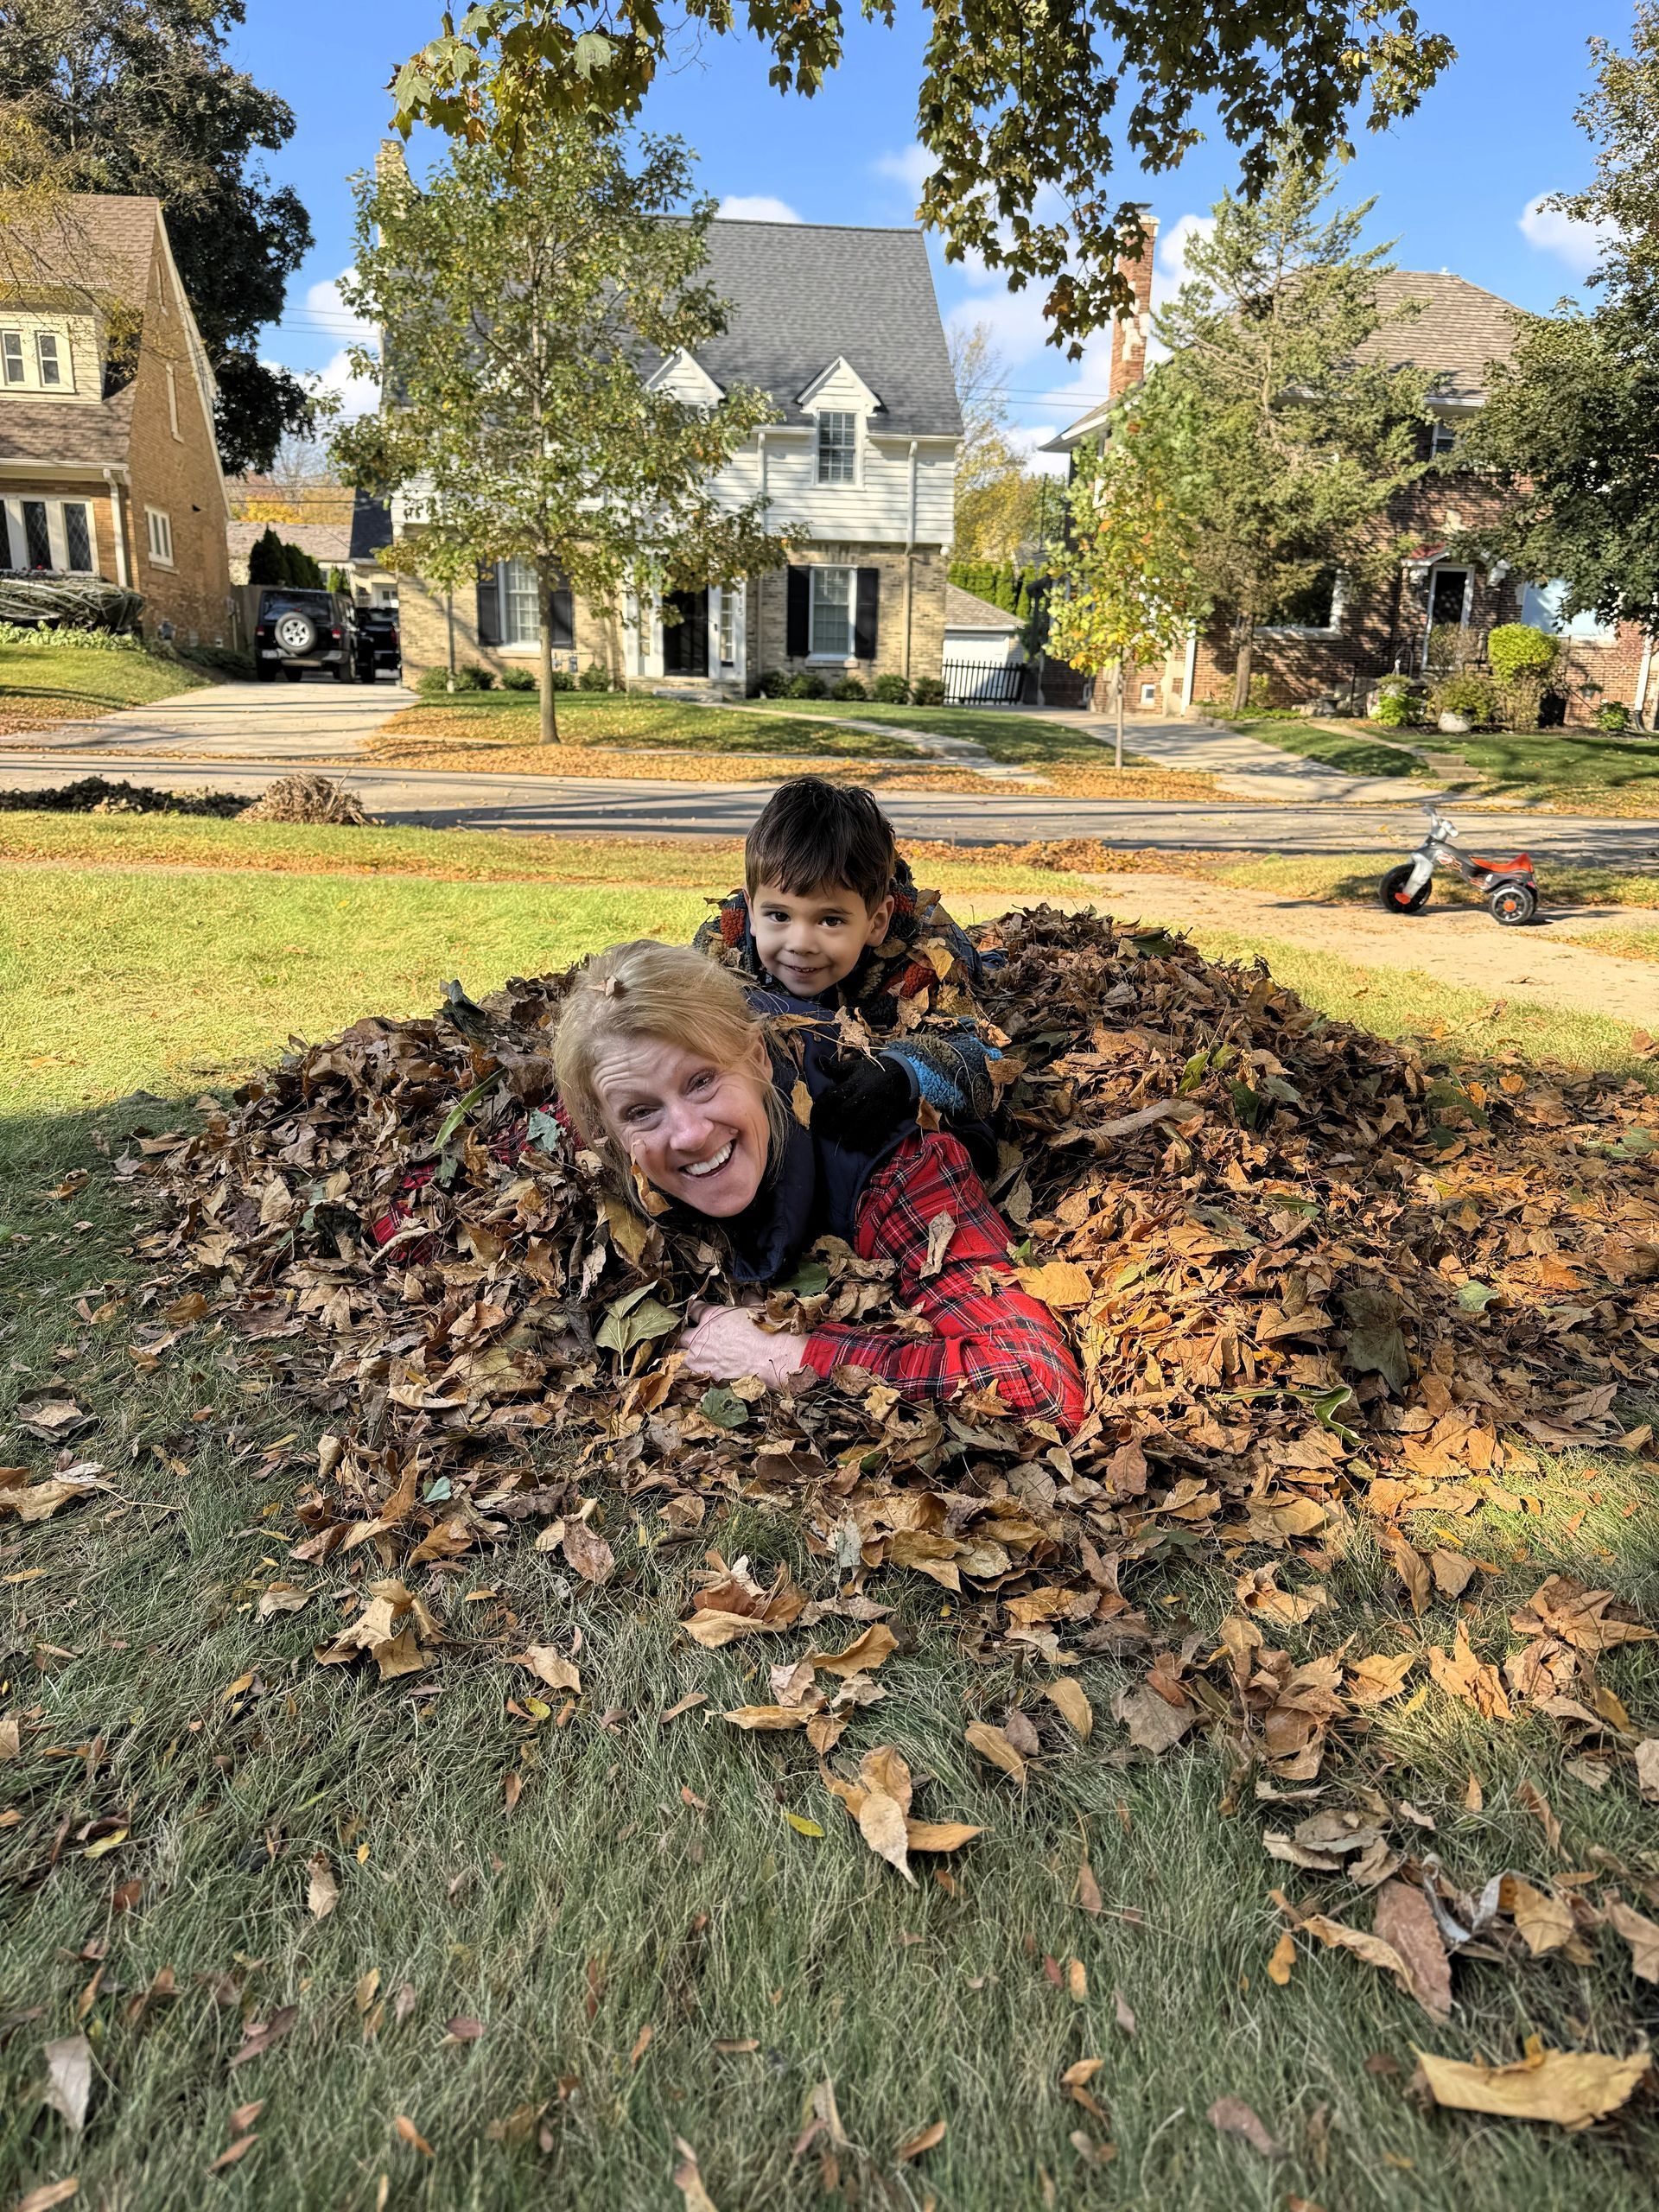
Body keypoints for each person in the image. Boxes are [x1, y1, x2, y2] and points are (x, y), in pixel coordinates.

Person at [552, 940, 1084, 1432]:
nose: (689, 1134)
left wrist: (788, 1355)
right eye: (641, 1112)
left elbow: (1038, 1383)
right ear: (604, 1133)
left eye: (702, 1081)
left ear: (758, 1057)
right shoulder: (606, 1140)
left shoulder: (891, 1164)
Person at [692, 777, 1000, 1141]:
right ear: (754, 911)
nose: (800, 944)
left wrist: (903, 1074)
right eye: (779, 915)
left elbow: (986, 1059)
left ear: (876, 922)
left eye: (830, 920)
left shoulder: (927, 962)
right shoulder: (721, 948)